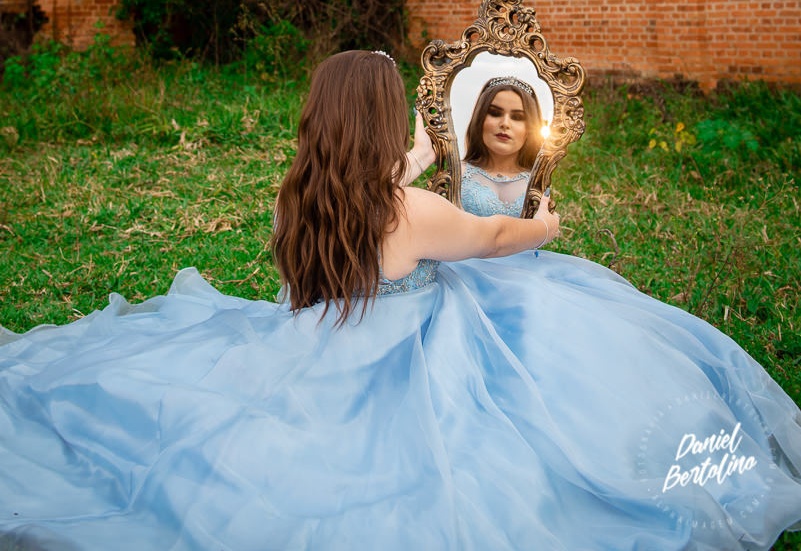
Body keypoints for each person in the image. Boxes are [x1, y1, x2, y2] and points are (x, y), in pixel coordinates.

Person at [0, 50, 800, 551]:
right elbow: (487, 241)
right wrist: (543, 225)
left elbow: (377, 204)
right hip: (403, 361)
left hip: (314, 343)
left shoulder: (301, 196)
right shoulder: (409, 213)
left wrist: (408, 164)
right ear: (380, 126)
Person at [459, 76, 542, 217]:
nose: (505, 123)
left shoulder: (539, 182)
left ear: (530, 129)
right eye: (495, 113)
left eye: (517, 117)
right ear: (480, 119)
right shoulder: (456, 173)